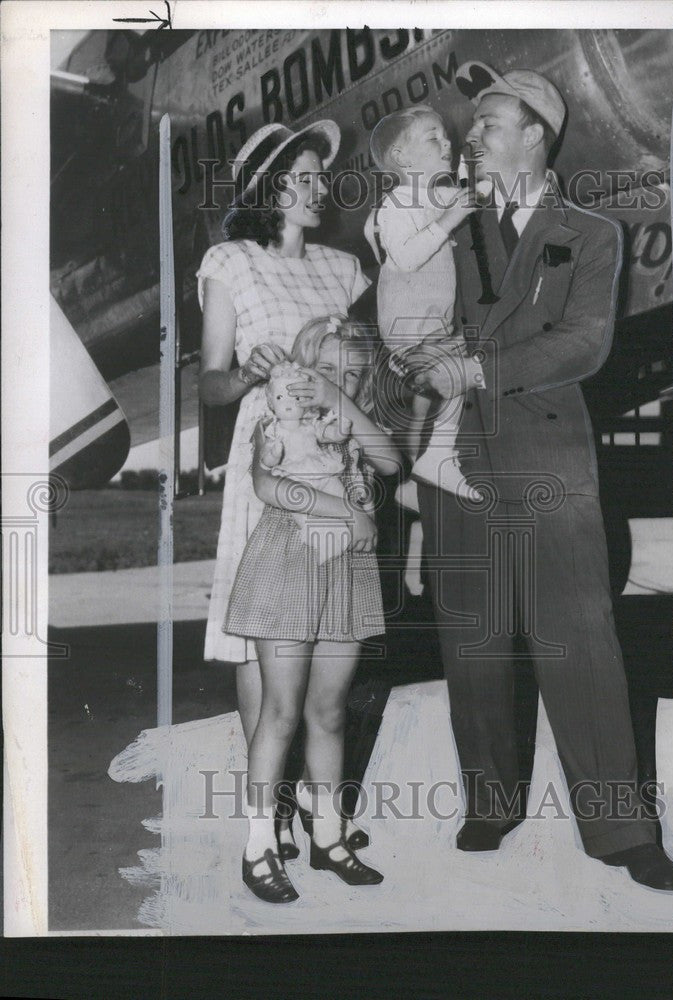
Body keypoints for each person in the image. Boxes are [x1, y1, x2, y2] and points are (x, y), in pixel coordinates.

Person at [402, 62, 673, 891]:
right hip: (452, 462)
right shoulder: (442, 229)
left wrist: (474, 369)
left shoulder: (591, 233)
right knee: (473, 638)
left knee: (581, 641)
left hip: (549, 459)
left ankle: (622, 832)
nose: (471, 136)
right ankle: (490, 802)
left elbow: (583, 343)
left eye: (488, 123)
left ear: (535, 135)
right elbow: (405, 322)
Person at [198, 121, 371, 862]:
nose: (317, 189)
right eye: (301, 178)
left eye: (319, 177)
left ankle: (315, 805)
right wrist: (246, 373)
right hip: (265, 462)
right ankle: (263, 816)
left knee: (327, 628)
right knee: (263, 625)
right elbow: (209, 384)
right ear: (267, 189)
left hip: (338, 467)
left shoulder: (344, 269)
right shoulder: (231, 262)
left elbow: (365, 371)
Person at [225, 315, 402, 902]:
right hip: (288, 563)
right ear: (299, 368)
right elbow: (267, 486)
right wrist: (344, 510)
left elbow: (392, 461)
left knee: (329, 711)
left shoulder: (344, 423)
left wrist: (340, 403)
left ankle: (328, 838)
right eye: (326, 371)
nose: (337, 384)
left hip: (344, 571)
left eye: (352, 376)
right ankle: (259, 848)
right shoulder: (275, 418)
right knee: (280, 711)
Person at [363, 105, 483, 503]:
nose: (446, 142)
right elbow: (407, 256)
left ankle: (430, 462)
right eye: (434, 137)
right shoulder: (395, 205)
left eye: (447, 136)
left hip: (433, 326)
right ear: (401, 157)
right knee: (463, 375)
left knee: (459, 380)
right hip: (409, 328)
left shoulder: (438, 195)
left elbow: (475, 196)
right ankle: (434, 460)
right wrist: (448, 220)